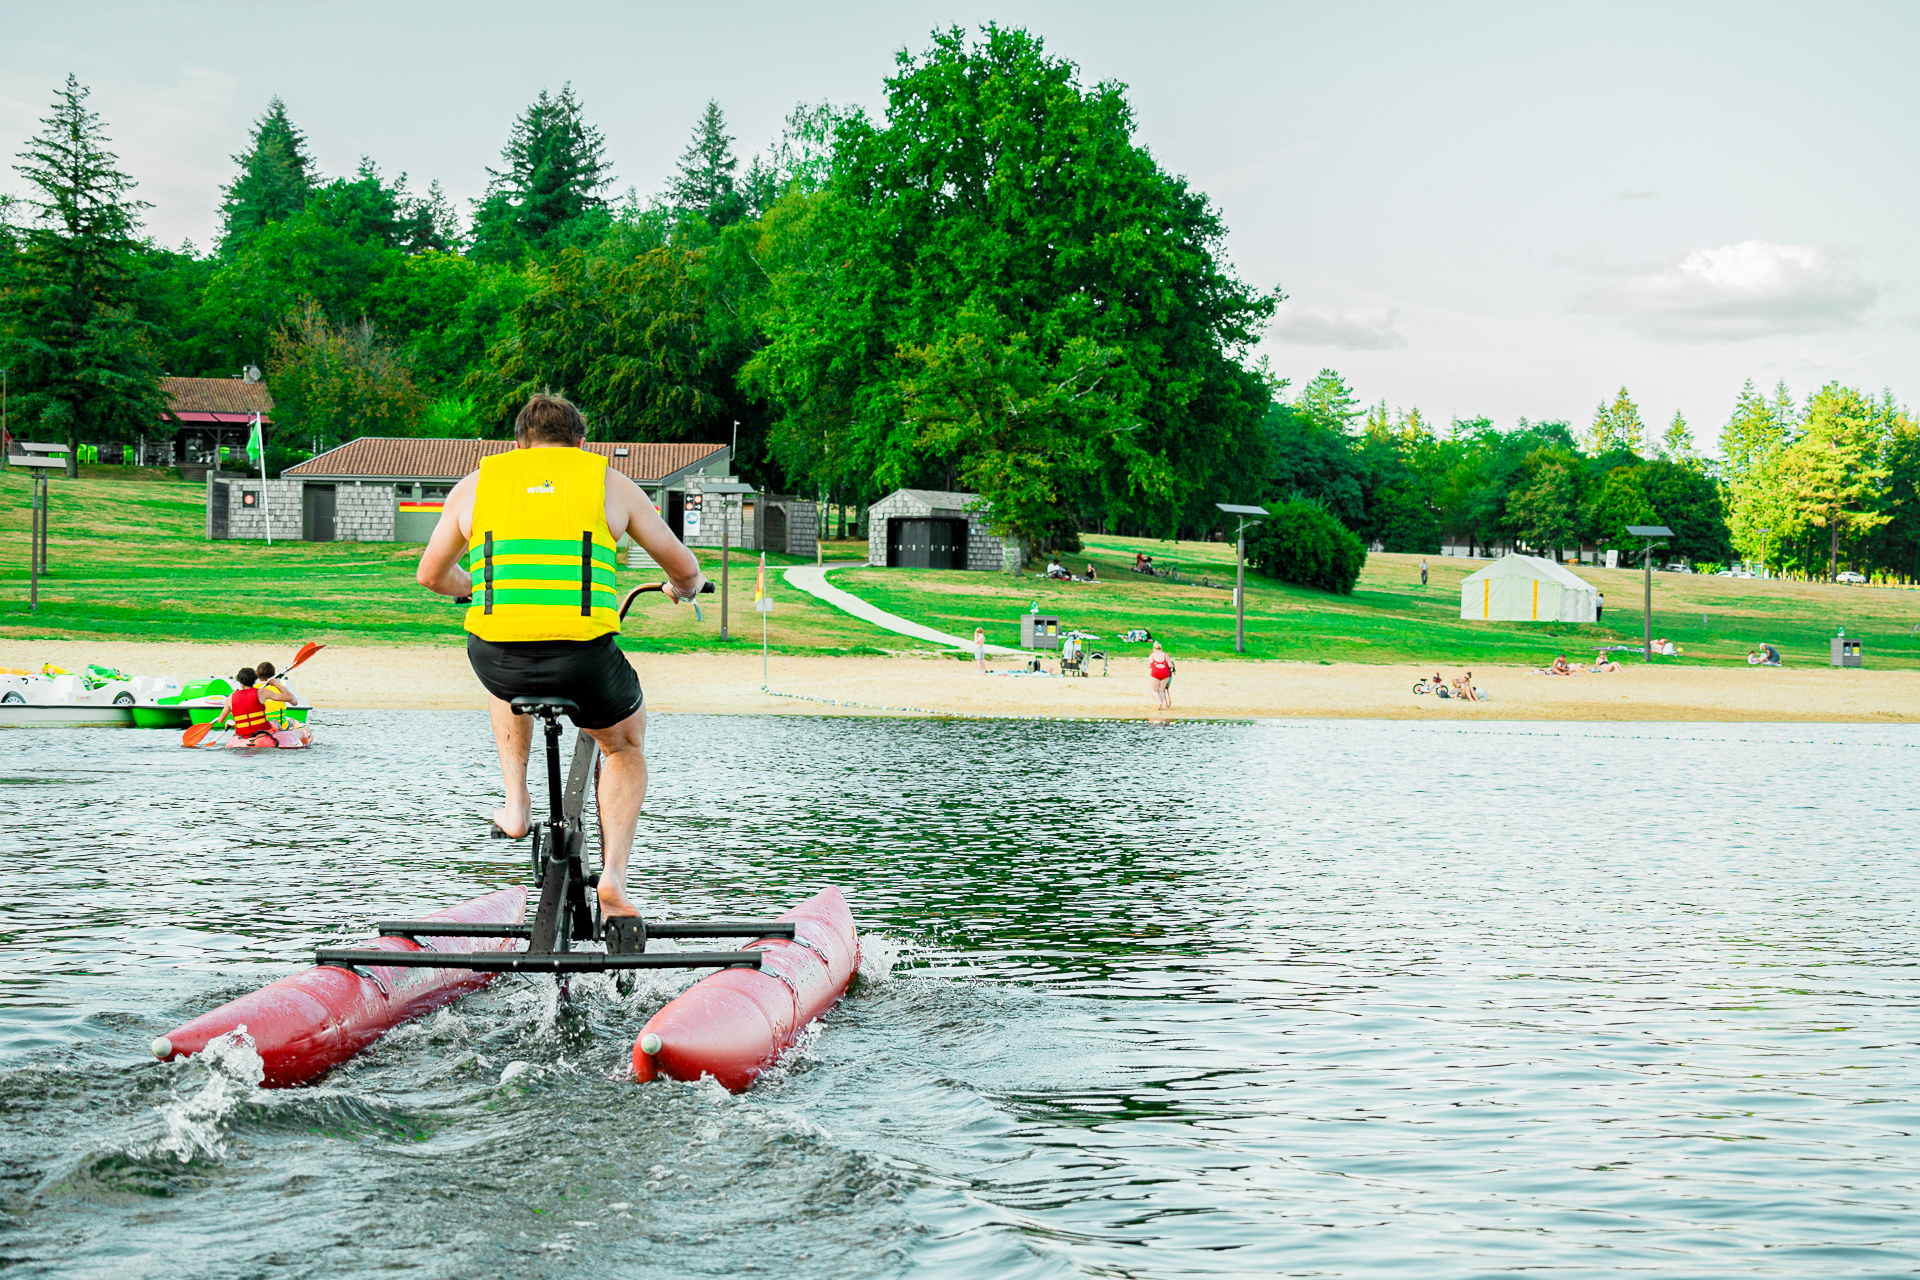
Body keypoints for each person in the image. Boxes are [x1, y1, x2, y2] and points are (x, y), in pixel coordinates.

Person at [414, 393, 706, 923]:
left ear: (518, 445)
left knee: (502, 685)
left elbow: (431, 576)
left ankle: (516, 803)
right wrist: (684, 588)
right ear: (581, 444)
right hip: (583, 659)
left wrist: (474, 590)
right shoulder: (608, 483)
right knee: (623, 744)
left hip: (497, 656)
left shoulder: (476, 485)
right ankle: (614, 878)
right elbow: (684, 568)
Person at [207, 667, 278, 745]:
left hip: (243, 737)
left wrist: (231, 722)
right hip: (262, 734)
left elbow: (220, 720)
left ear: (240, 683)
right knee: (275, 721)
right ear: (254, 680)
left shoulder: (231, 697)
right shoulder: (261, 693)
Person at [1147, 640, 1175, 709]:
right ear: (1161, 648)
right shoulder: (1166, 655)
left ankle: (1159, 702)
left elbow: (1149, 666)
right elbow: (1171, 666)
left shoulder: (1151, 655)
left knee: (1153, 690)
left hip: (1155, 673)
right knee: (1161, 690)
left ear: (1153, 648)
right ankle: (1160, 706)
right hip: (1165, 673)